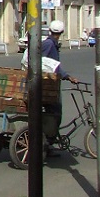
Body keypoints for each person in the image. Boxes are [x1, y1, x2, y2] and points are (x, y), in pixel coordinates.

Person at [42, 20, 79, 155]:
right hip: (48, 85)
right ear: (62, 32)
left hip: (51, 83)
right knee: (56, 113)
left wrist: (66, 76)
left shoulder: (52, 44)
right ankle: (48, 143)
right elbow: (46, 63)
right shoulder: (49, 44)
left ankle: (48, 140)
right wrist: (67, 76)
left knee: (53, 113)